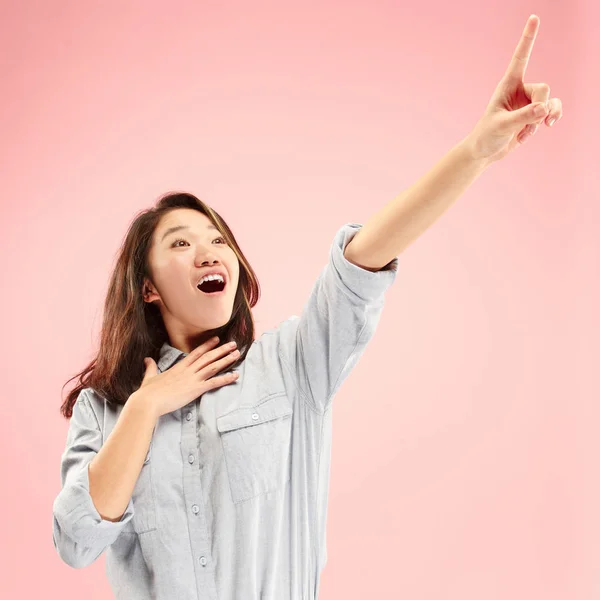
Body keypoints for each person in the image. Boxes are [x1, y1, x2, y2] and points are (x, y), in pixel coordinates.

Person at [52, 191, 398, 599]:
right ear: (148, 289)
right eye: (181, 243)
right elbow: (76, 543)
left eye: (218, 241)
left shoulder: (290, 365)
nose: (209, 254)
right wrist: (145, 408)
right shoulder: (103, 409)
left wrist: (476, 151)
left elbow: (358, 266)